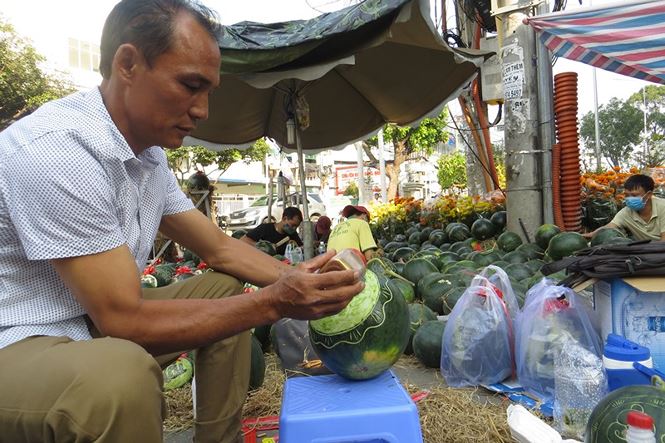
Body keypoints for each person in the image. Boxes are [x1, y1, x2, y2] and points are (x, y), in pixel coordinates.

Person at [0, 2, 363, 443]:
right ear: (128, 64)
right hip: (19, 339)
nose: (203, 110)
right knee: (119, 375)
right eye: (191, 85)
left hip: (84, 323)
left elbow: (220, 250)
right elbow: (122, 321)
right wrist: (276, 302)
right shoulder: (59, 151)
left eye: (209, 90)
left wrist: (298, 278)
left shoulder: (147, 156)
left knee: (224, 288)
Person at [584, 174, 665, 241]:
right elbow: (608, 227)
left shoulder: (662, 207)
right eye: (626, 195)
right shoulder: (627, 212)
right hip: (647, 252)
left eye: (634, 195)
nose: (629, 199)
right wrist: (587, 235)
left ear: (649, 195)